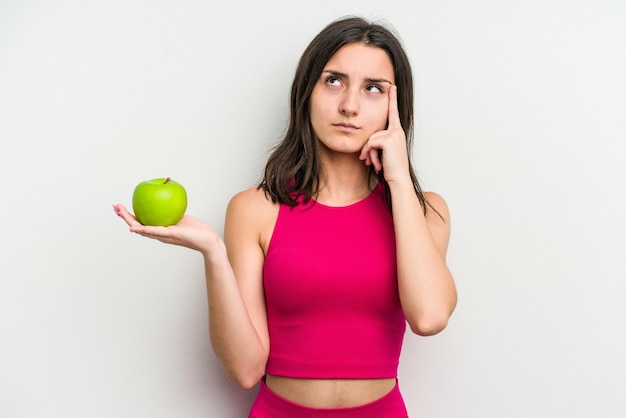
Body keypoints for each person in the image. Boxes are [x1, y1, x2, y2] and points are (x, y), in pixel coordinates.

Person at [114, 15, 457, 417]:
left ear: (394, 107)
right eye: (333, 81)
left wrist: (398, 180)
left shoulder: (423, 210)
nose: (349, 105)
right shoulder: (253, 208)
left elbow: (430, 317)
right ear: (306, 91)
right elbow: (244, 371)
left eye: (372, 89)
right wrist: (212, 252)